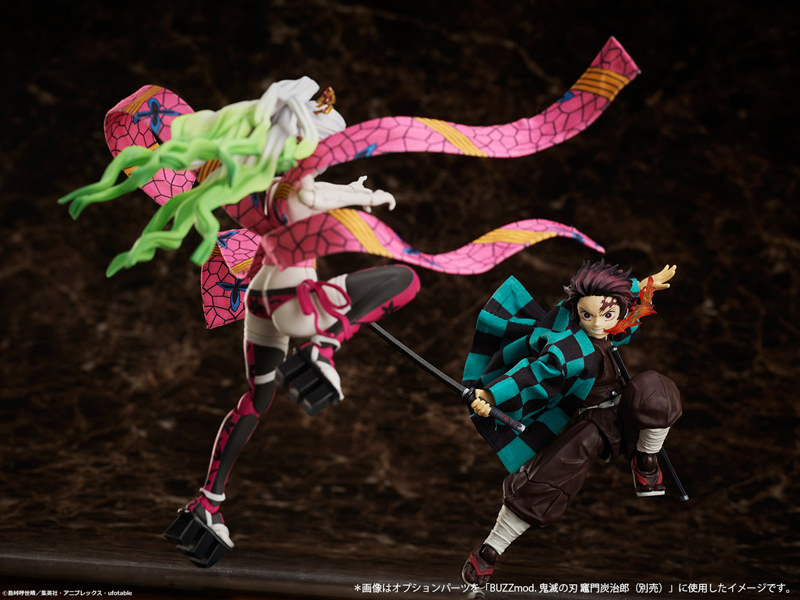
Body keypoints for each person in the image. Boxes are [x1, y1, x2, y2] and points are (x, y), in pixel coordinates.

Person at [461, 261, 682, 592]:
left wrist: (642, 285)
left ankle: (645, 459)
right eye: (587, 315)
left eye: (607, 315)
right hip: (592, 423)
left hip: (627, 412)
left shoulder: (613, 324)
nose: (597, 324)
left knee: (655, 391)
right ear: (577, 311)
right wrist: (491, 395)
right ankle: (489, 551)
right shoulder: (569, 347)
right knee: (544, 480)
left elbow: (616, 299)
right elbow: (533, 374)